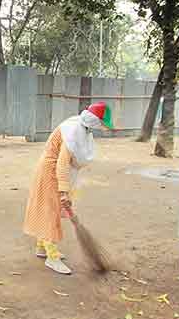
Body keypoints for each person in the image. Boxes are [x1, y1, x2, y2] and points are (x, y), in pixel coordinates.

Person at [23, 102, 113, 274]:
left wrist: (64, 190)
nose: (103, 127)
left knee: (50, 210)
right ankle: (52, 257)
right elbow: (62, 163)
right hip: (50, 173)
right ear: (94, 120)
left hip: (53, 171)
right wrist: (64, 191)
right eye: (102, 123)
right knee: (50, 213)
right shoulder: (73, 130)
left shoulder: (82, 128)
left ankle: (41, 247)